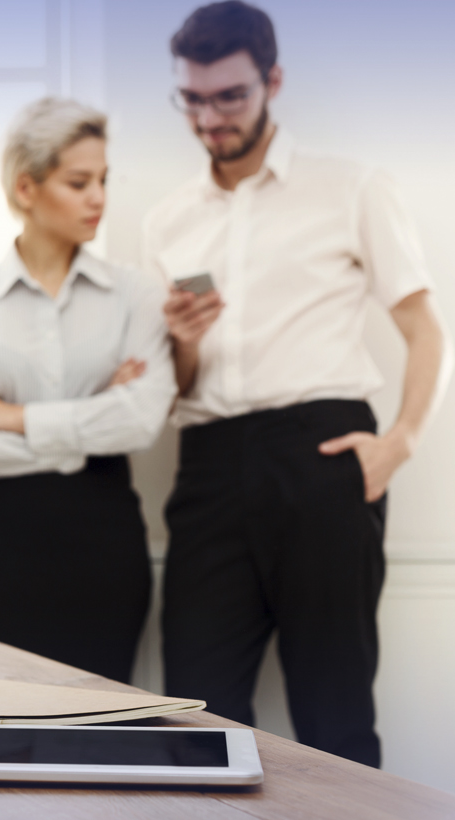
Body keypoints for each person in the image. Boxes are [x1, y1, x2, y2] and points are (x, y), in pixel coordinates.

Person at [146, 1, 450, 768]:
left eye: (230, 97)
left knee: (335, 710)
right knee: (197, 717)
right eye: (193, 98)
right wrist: (181, 341)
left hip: (322, 453)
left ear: (272, 80)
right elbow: (180, 385)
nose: (210, 118)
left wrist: (399, 444)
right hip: (208, 464)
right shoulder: (168, 219)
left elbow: (425, 328)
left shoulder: (351, 187)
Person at [0, 98, 176, 685]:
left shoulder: (136, 296)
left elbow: (141, 422)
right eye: (78, 182)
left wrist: (7, 415)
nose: (98, 197)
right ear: (26, 188)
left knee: (98, 737)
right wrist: (88, 428)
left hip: (103, 546)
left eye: (103, 180)